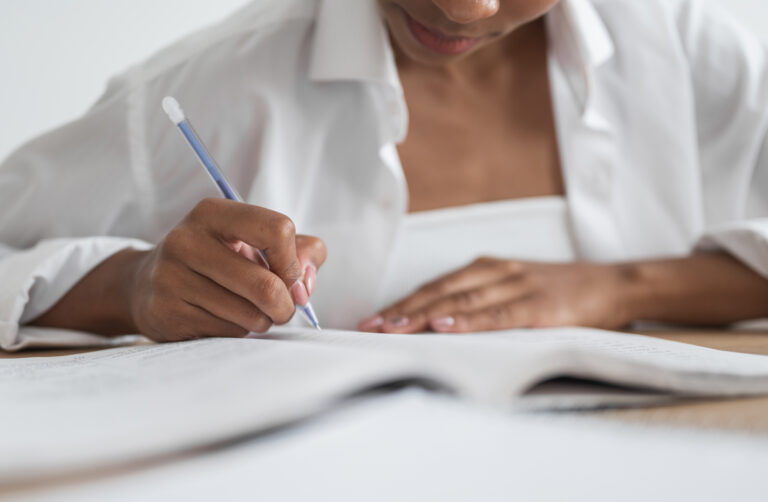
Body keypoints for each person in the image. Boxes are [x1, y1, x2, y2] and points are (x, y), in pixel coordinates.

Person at [1, 0, 767, 350]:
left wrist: (622, 287)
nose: (465, 9)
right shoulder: (215, 87)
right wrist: (132, 288)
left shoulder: (685, 51)